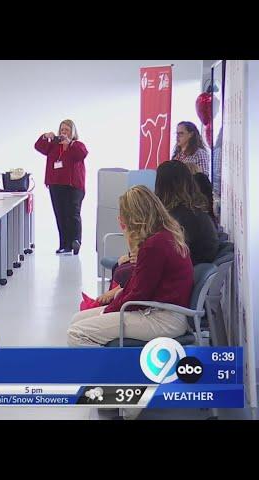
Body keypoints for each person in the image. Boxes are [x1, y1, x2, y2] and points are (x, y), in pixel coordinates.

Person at [68, 186, 193, 346]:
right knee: (77, 320)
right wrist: (111, 306)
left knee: (76, 333)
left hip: (162, 318)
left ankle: (108, 370)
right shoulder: (164, 236)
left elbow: (138, 295)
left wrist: (107, 311)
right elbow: (139, 286)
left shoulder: (154, 245)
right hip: (158, 310)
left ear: (133, 218)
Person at [34, 119, 88, 255]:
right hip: (55, 185)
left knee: (73, 213)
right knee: (60, 215)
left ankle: (76, 241)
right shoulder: (53, 145)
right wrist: (46, 136)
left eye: (67, 130)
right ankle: (64, 244)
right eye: (62, 130)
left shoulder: (76, 145)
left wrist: (69, 143)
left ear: (72, 132)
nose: (64, 132)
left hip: (73, 186)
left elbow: (82, 154)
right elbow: (39, 146)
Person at [155, 160, 219, 264]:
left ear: (162, 186)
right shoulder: (192, 211)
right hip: (196, 265)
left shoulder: (182, 216)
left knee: (123, 270)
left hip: (188, 267)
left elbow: (170, 252)